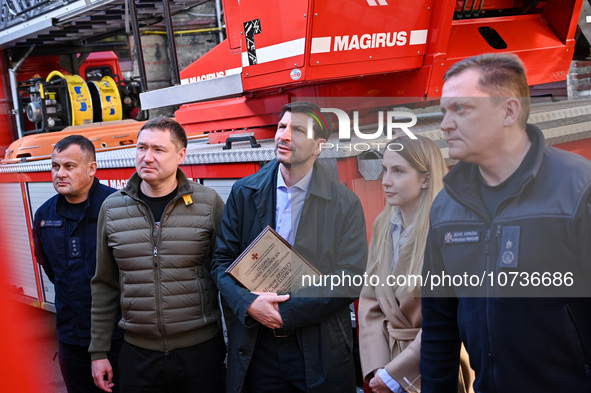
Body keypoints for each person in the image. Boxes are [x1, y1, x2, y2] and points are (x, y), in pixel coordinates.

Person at [420, 53, 591, 392]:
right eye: (444, 111)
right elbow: (439, 323)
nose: (445, 124)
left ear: (509, 111)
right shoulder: (446, 206)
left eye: (461, 109)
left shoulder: (578, 189)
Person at [211, 101, 368, 393]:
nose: (284, 136)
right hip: (258, 347)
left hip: (317, 346)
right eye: (282, 126)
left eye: (297, 130)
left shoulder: (344, 203)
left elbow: (351, 277)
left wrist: (287, 311)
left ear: (319, 146)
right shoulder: (244, 192)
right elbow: (221, 262)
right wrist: (250, 304)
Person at [89, 117, 226, 393]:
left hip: (200, 353)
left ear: (181, 155)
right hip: (138, 355)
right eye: (141, 148)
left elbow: (227, 277)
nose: (146, 157)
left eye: (158, 150)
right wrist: (99, 352)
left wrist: (238, 346)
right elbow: (104, 284)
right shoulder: (112, 208)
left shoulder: (208, 203)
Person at [358, 136, 473, 393]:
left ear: (426, 178)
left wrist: (395, 374)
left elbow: (445, 318)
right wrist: (379, 367)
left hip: (436, 366)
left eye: (398, 171)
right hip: (388, 364)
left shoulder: (445, 229)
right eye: (384, 169)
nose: (385, 181)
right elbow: (370, 302)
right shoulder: (383, 224)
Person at [32, 135, 123, 393]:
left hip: (118, 338)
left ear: (92, 168)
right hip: (71, 339)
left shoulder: (117, 207)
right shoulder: (45, 215)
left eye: (69, 166)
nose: (60, 173)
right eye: (55, 166)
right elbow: (50, 268)